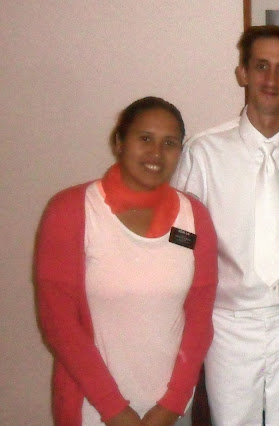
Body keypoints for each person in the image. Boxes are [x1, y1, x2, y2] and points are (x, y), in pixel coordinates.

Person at [171, 25, 279, 425]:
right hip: (229, 324)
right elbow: (180, 243)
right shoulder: (204, 152)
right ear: (243, 73)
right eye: (261, 66)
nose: (271, 79)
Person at [34, 96, 217, 425]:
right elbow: (59, 325)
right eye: (145, 138)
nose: (156, 153)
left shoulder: (195, 217)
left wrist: (173, 404)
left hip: (170, 413)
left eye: (169, 143)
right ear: (119, 141)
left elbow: (200, 320)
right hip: (92, 411)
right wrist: (115, 410)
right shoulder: (69, 211)